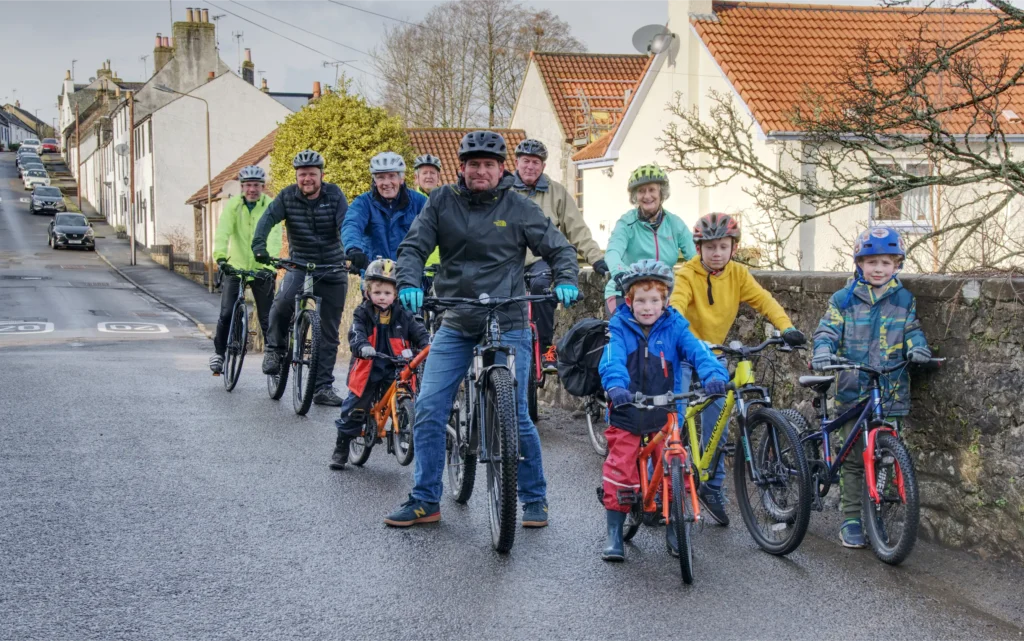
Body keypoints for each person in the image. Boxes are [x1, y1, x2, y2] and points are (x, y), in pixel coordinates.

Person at [385, 130, 580, 528]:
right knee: (429, 407)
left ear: (501, 169)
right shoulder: (442, 201)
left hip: (508, 318)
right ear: (461, 167)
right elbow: (413, 247)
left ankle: (534, 499)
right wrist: (407, 282)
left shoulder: (518, 205)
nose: (481, 171)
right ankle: (425, 499)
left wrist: (566, 278)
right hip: (457, 318)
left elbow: (558, 247)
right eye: (473, 164)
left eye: (488, 165)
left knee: (519, 414)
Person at [669, 213, 805, 525]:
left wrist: (786, 328)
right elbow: (676, 306)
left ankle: (712, 486)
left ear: (734, 247)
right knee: (674, 416)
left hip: (714, 352)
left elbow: (765, 301)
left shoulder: (738, 274)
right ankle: (661, 481)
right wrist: (687, 339)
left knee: (717, 416)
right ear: (698, 248)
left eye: (723, 246)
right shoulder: (687, 274)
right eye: (709, 247)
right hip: (683, 351)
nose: (716, 253)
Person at [598, 260, 728, 562]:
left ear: (665, 301)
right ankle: (614, 534)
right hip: (627, 410)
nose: (647, 307)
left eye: (654, 300)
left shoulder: (675, 325)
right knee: (620, 469)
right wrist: (616, 387)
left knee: (677, 472)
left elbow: (698, 351)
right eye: (640, 300)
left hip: (664, 411)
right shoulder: (619, 326)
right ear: (628, 301)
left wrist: (713, 376)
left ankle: (675, 532)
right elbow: (612, 359)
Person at [811, 226, 931, 549]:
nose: (879, 269)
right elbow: (827, 331)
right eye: (872, 262)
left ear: (897, 265)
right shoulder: (844, 299)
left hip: (890, 392)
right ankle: (851, 517)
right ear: (859, 263)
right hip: (853, 389)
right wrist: (823, 350)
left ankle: (875, 512)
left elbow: (912, 331)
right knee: (851, 459)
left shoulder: (904, 300)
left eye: (886, 263)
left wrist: (918, 348)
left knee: (886, 458)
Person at [252, 149, 349, 407]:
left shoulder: (335, 195)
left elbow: (346, 225)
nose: (307, 179)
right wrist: (259, 246)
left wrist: (352, 251)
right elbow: (267, 220)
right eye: (302, 174)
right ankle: (274, 349)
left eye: (312, 174)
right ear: (297, 176)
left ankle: (322, 387)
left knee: (329, 331)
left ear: (321, 175)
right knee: (282, 302)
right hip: (299, 264)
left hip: (332, 266)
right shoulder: (286, 196)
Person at [511, 138, 607, 372]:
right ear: (516, 163)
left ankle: (545, 348)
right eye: (526, 161)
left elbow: (577, 229)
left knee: (542, 289)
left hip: (541, 260)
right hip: (509, 261)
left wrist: (596, 258)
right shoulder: (504, 189)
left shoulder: (557, 192)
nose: (530, 167)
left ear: (543, 166)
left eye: (536, 162)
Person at [329, 258, 430, 470]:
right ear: (368, 292)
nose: (382, 297)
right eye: (377, 293)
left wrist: (426, 344)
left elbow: (418, 331)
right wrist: (362, 346)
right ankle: (342, 446)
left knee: (409, 393)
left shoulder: (403, 314)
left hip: (397, 365)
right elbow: (356, 333)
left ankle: (402, 429)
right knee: (355, 407)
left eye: (387, 293)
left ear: (395, 295)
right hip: (369, 366)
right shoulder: (362, 313)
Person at [209, 165, 281, 374]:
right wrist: (221, 258)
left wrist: (269, 264)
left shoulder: (270, 205)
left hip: (262, 268)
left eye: (256, 185)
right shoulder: (233, 206)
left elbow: (275, 235)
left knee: (268, 317)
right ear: (242, 187)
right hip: (236, 265)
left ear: (262, 187)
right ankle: (219, 354)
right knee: (225, 313)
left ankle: (272, 355)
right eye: (248, 185)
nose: (252, 189)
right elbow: (223, 232)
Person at [604, 164, 696, 316]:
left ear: (661, 193)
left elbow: (694, 257)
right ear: (635, 196)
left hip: (661, 293)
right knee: (626, 331)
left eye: (652, 190)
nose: (647, 196)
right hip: (625, 289)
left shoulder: (675, 223)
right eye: (641, 191)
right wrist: (619, 273)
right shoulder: (627, 222)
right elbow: (613, 251)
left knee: (670, 333)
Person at [342, 152, 427, 270]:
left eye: (392, 176)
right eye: (381, 177)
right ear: (374, 181)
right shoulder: (363, 202)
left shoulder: (420, 202)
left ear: (401, 179)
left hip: (410, 273)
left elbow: (439, 227)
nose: (386, 183)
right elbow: (352, 224)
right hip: (374, 272)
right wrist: (353, 249)